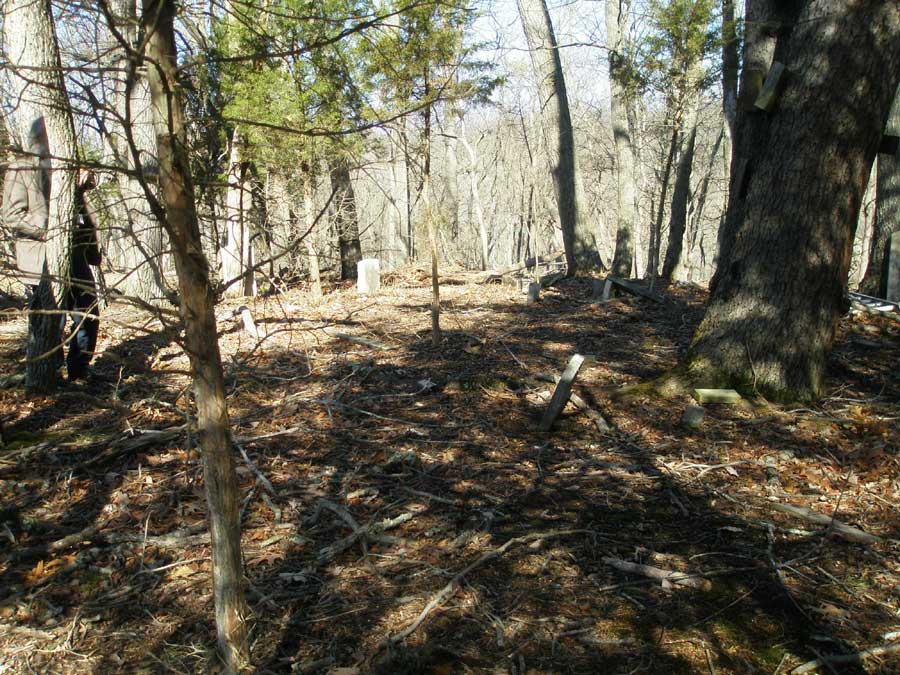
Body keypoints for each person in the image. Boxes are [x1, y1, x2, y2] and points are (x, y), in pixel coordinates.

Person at [65, 169, 102, 380]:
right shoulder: (30, 172)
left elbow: (87, 225)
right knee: (53, 320)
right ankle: (49, 375)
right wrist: (50, 232)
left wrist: (93, 253)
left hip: (78, 260)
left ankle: (79, 370)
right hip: (43, 261)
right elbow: (13, 215)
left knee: (88, 314)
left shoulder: (76, 194)